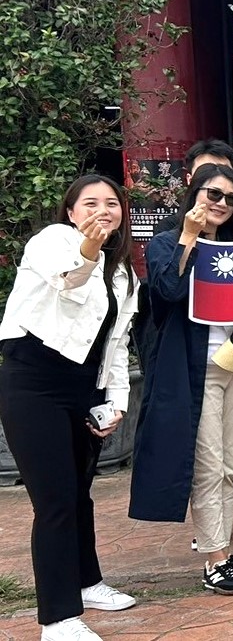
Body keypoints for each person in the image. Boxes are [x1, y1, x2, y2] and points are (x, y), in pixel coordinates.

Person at [0, 175, 140, 640]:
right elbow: (67, 280)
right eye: (91, 202)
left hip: (85, 386)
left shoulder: (123, 273)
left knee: (79, 492)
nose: (104, 210)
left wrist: (115, 401)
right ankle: (57, 619)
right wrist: (88, 251)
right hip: (33, 382)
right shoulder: (52, 243)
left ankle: (87, 582)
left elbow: (116, 345)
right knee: (55, 501)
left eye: (113, 203)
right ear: (71, 211)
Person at [131, 165, 233, 595]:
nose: (221, 204)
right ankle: (213, 559)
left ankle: (224, 552)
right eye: (214, 194)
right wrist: (188, 238)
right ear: (195, 192)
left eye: (231, 199)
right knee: (208, 465)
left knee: (231, 461)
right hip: (194, 371)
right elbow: (168, 292)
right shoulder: (164, 243)